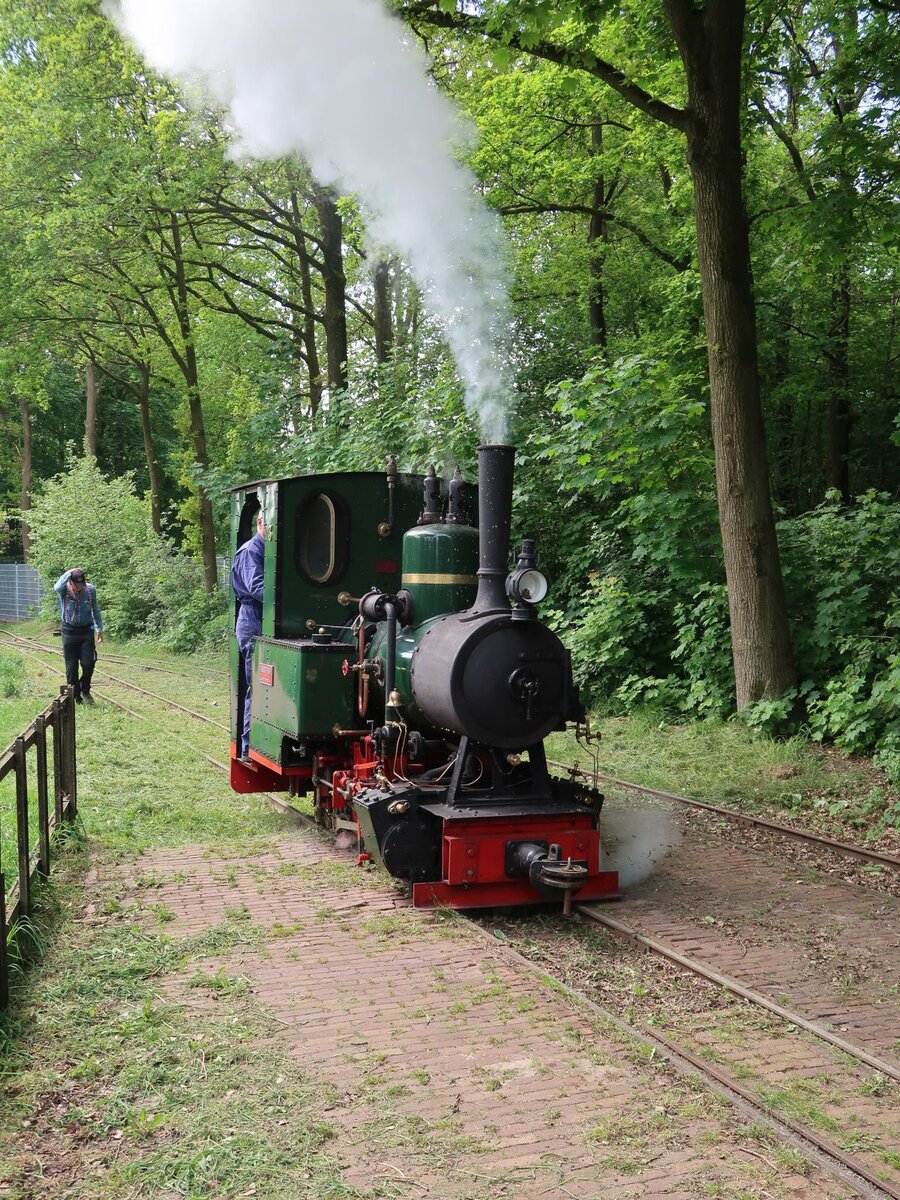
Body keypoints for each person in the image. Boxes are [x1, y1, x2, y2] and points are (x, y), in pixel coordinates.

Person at [231, 512, 265, 761]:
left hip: (264, 617)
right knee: (255, 686)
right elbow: (258, 587)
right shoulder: (250, 550)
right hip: (253, 618)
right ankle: (247, 748)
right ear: (261, 523)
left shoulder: (269, 549)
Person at [54, 567, 103, 705]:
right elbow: (57, 586)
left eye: (82, 584)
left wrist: (99, 628)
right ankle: (75, 696)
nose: (79, 588)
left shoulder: (90, 590)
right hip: (69, 631)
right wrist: (69, 572)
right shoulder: (64, 590)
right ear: (71, 582)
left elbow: (96, 609)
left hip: (86, 631)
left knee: (89, 663)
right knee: (71, 666)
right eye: (77, 585)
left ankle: (85, 689)